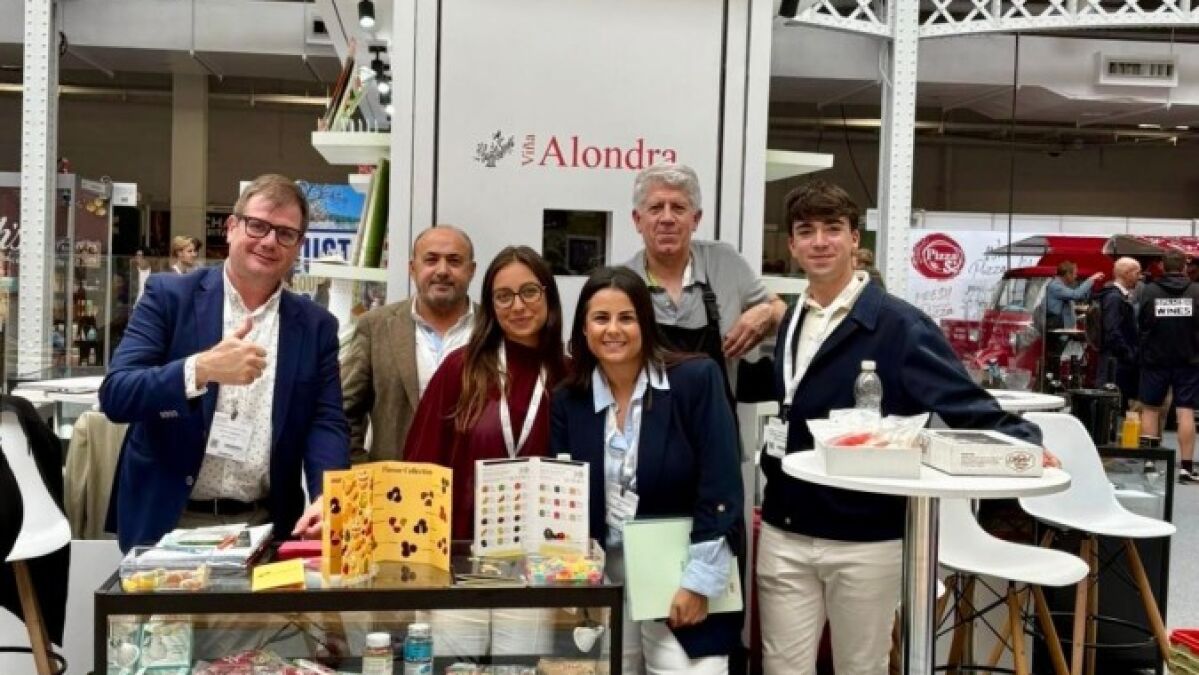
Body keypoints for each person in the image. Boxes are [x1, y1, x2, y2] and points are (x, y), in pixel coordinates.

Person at [757, 180, 1050, 675]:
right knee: (781, 667)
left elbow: (962, 400)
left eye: (833, 229)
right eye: (806, 231)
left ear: (854, 239)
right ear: (791, 245)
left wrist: (1024, 440)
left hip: (864, 539)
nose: (820, 241)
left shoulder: (899, 325)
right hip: (785, 529)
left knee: (861, 668)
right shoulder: (793, 319)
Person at [100, 174, 350, 551]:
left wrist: (328, 496)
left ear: (298, 246)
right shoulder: (169, 297)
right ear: (232, 227)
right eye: (258, 225)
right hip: (169, 523)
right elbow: (117, 395)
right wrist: (200, 369)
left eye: (285, 233)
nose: (269, 241)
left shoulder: (316, 326)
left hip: (266, 526)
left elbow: (325, 421)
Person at [552, 267, 744, 674]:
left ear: (646, 323)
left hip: (682, 573)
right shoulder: (570, 400)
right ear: (583, 329)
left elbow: (721, 486)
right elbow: (564, 497)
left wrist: (698, 582)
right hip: (604, 580)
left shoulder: (695, 380)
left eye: (627, 317)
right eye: (600, 318)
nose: (613, 330)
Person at [405, 245, 567, 657]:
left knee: (521, 668)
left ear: (548, 295)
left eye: (529, 292)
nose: (518, 306)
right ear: (490, 306)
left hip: (538, 563)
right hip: (463, 559)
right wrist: (423, 562)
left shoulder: (569, 375)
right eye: (503, 296)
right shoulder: (460, 369)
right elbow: (422, 467)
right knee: (455, 665)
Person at [624, 164, 785, 399]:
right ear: (638, 220)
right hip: (645, 419)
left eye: (678, 207)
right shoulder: (622, 283)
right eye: (656, 208)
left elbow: (782, 312)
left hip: (717, 418)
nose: (667, 218)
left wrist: (767, 312)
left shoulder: (726, 262)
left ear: (696, 219)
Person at [341, 225, 477, 461]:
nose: (442, 271)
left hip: (473, 480)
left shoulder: (493, 329)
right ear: (412, 268)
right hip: (394, 481)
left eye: (454, 261)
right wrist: (361, 468)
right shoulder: (376, 326)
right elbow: (344, 410)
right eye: (431, 260)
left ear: (471, 270)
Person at [1137, 249, 1199, 483]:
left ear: (1162, 266)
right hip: (1189, 360)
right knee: (1186, 411)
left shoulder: (1149, 291)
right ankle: (1186, 468)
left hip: (1155, 360)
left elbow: (1142, 322)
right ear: (1184, 267)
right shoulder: (1196, 291)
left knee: (1151, 409)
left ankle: (1149, 462)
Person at [1095, 257, 1141, 409]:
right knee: (1111, 405)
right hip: (1115, 362)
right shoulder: (1114, 298)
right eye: (1137, 273)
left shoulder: (1115, 296)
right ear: (1127, 273)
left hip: (1116, 360)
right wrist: (1128, 353)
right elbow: (1112, 330)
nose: (1139, 277)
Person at [1044, 260, 1103, 331]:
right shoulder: (1056, 286)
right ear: (1068, 275)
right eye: (1075, 274)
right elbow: (1076, 294)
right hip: (1057, 327)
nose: (1076, 276)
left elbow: (1080, 296)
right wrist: (1091, 279)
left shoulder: (1061, 286)